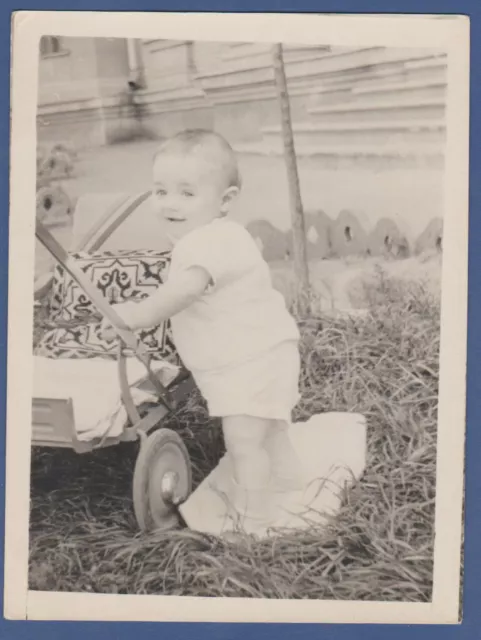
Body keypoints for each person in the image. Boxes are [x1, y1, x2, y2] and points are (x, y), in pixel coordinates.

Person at [101, 129, 304, 534]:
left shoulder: (209, 244)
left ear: (225, 200)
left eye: (186, 193)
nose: (169, 204)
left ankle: (255, 520)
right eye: (160, 191)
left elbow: (184, 291)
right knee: (269, 426)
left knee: (244, 441)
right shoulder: (211, 237)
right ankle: (289, 478)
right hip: (260, 353)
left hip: (252, 360)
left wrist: (137, 315)